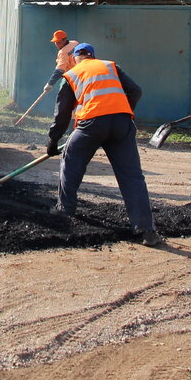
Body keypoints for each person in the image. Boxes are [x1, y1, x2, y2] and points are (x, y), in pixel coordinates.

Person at [46, 42, 163, 247]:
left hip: (91, 124)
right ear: (93, 56)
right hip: (122, 124)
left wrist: (53, 139)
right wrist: (122, 111)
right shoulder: (110, 66)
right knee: (132, 177)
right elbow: (135, 90)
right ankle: (147, 231)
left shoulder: (73, 74)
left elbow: (62, 112)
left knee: (71, 162)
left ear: (74, 58)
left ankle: (65, 209)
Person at [44, 29, 80, 145]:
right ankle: (76, 128)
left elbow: (60, 69)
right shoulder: (75, 44)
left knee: (64, 103)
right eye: (55, 42)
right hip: (83, 77)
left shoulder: (63, 52)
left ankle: (67, 130)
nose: (56, 44)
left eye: (59, 42)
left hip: (71, 79)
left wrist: (50, 84)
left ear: (65, 40)